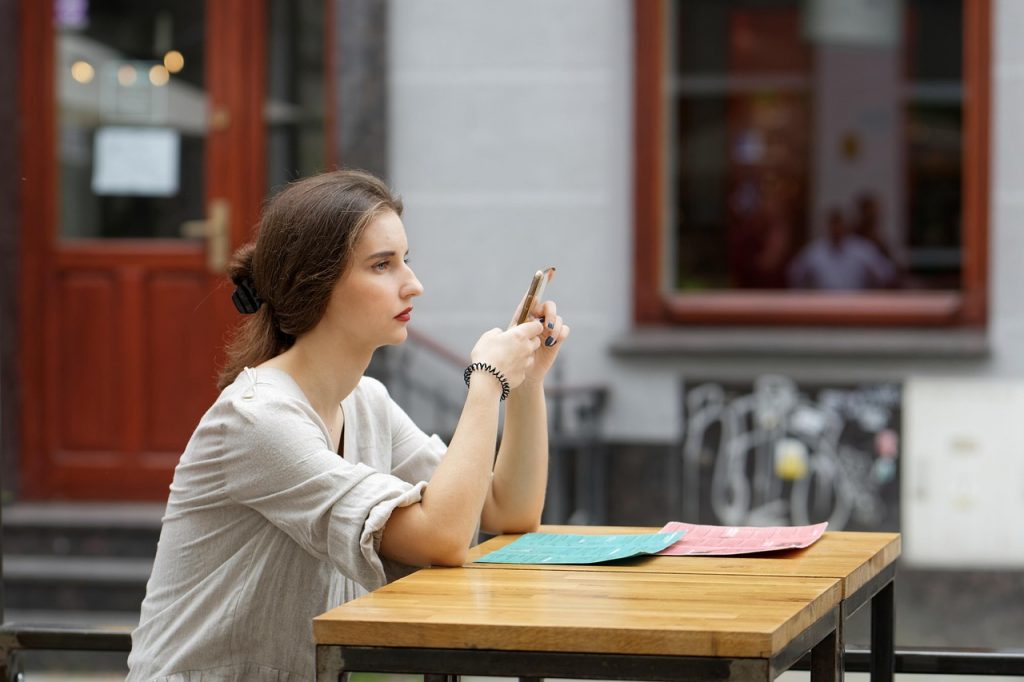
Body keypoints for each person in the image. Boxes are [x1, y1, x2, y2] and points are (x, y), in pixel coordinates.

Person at [126, 169, 569, 681]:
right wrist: (487, 381)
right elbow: (442, 538)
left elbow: (507, 511)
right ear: (314, 283)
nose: (413, 285)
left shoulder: (365, 402)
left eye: (406, 260)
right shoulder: (256, 419)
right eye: (382, 265)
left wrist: (527, 382)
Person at [787, 206, 896, 290]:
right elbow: (794, 274)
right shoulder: (815, 250)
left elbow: (886, 274)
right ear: (827, 226)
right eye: (833, 224)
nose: (836, 229)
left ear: (845, 225)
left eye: (839, 224)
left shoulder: (862, 249)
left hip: (857, 305)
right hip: (823, 306)